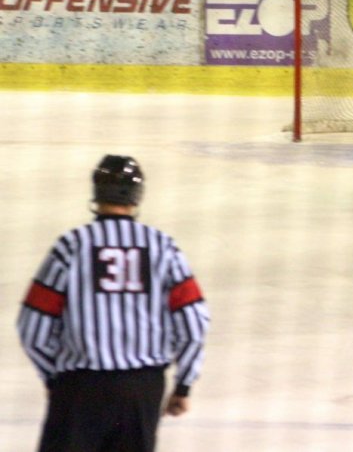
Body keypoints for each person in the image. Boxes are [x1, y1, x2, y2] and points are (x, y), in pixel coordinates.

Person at [17, 155, 210, 452]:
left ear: (96, 192)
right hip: (141, 391)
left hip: (80, 388)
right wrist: (183, 386)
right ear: (137, 195)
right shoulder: (162, 247)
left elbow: (32, 327)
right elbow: (194, 323)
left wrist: (55, 378)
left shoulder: (71, 246)